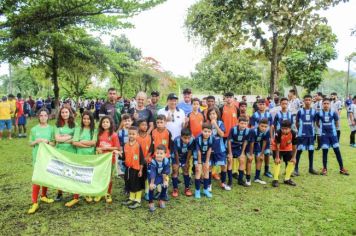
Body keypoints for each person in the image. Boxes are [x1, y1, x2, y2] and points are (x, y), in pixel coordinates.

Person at [67, 111, 98, 207]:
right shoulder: (78, 129)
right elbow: (75, 142)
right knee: (77, 175)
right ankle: (76, 196)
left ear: (91, 120)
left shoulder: (94, 130)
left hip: (90, 156)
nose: (86, 120)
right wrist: (85, 145)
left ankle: (87, 193)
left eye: (88, 119)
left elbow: (93, 142)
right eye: (84, 118)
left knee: (88, 175)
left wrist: (82, 142)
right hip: (79, 155)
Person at [28, 108, 55, 214]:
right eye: (41, 115)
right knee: (36, 179)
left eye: (45, 115)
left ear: (48, 117)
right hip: (37, 157)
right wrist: (36, 141)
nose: (43, 117)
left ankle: (44, 196)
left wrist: (47, 141)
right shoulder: (34, 129)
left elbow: (54, 143)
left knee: (45, 177)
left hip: (48, 157)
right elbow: (30, 143)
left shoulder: (51, 129)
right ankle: (34, 202)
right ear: (38, 117)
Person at [316, 98, 349, 176]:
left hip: (333, 135)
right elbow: (317, 123)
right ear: (322, 104)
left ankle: (341, 168)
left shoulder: (333, 112)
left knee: (337, 151)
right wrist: (322, 129)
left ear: (330, 105)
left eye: (327, 103)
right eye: (324, 103)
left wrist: (334, 129)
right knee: (325, 152)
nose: (326, 105)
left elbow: (337, 122)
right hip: (324, 136)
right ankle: (324, 169)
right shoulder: (319, 113)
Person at [54, 106, 76, 201]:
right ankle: (59, 192)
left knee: (71, 171)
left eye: (66, 112)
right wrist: (69, 136)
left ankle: (73, 191)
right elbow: (57, 139)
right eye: (62, 112)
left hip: (72, 151)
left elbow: (75, 139)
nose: (64, 114)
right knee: (60, 172)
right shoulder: (57, 125)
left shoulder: (75, 124)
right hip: (60, 151)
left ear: (69, 113)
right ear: (60, 114)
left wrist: (64, 137)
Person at [96, 116, 120, 203]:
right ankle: (100, 192)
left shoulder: (114, 134)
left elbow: (117, 147)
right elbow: (97, 146)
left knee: (109, 177)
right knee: (100, 176)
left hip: (110, 159)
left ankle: (108, 193)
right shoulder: (99, 134)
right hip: (100, 160)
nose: (105, 124)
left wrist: (106, 148)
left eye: (107, 122)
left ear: (111, 124)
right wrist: (98, 149)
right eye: (103, 122)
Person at [121, 126, 145, 209]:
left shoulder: (138, 146)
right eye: (130, 134)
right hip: (128, 168)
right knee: (129, 183)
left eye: (133, 134)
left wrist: (141, 170)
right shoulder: (126, 145)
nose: (131, 135)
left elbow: (142, 159)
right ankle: (131, 198)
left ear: (137, 135)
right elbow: (124, 157)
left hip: (136, 169)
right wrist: (119, 154)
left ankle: (138, 200)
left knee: (137, 185)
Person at [206, 107, 230, 190]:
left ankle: (223, 183)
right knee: (209, 166)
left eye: (214, 114)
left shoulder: (220, 123)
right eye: (210, 114)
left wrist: (215, 125)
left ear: (217, 114)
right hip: (209, 149)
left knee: (223, 165)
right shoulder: (206, 124)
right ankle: (209, 184)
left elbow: (222, 134)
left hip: (220, 149)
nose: (212, 115)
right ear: (208, 115)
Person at [294, 95, 319, 175]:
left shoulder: (314, 112)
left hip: (311, 134)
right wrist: (300, 130)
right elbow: (297, 122)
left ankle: (311, 168)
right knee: (299, 151)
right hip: (302, 134)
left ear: (311, 101)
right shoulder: (300, 111)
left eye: (309, 100)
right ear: (303, 101)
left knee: (311, 151)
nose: (307, 101)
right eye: (306, 100)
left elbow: (316, 122)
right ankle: (296, 169)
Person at [250, 98, 273, 178]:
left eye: (263, 104)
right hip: (257, 139)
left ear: (266, 105)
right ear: (257, 105)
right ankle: (258, 170)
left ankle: (266, 170)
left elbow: (270, 127)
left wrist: (271, 137)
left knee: (267, 153)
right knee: (258, 154)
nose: (262, 106)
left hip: (266, 138)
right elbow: (252, 127)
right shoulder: (254, 115)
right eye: (260, 104)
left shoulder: (269, 115)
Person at [271, 120, 297, 187]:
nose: (284, 130)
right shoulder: (278, 133)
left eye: (286, 129)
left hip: (287, 148)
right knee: (277, 162)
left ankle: (287, 179)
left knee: (291, 161)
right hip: (277, 148)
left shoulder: (293, 133)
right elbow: (277, 146)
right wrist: (277, 157)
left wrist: (294, 157)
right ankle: (275, 180)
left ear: (290, 129)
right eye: (283, 129)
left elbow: (294, 146)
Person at [220, 92, 239, 177]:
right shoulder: (221, 108)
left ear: (233, 98)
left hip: (234, 135)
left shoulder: (236, 108)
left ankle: (234, 171)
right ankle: (223, 170)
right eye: (227, 97)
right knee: (224, 153)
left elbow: (238, 120)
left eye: (230, 97)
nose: (228, 98)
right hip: (224, 135)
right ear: (225, 98)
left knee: (234, 153)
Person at [227, 117, 251, 187]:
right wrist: (230, 153)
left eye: (245, 124)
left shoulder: (247, 131)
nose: (243, 125)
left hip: (239, 147)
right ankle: (230, 181)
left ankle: (240, 180)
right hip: (230, 147)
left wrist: (242, 153)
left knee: (242, 159)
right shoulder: (233, 129)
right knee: (230, 160)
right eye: (242, 123)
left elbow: (245, 142)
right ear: (238, 123)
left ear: (247, 124)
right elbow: (228, 141)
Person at [171, 128, 195, 197]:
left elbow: (190, 151)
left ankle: (187, 188)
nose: (187, 140)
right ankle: (175, 189)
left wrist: (187, 162)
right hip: (176, 157)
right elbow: (175, 152)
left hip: (185, 157)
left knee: (186, 170)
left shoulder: (192, 140)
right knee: (175, 170)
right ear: (181, 136)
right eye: (185, 138)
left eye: (188, 138)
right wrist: (178, 163)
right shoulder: (176, 140)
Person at [148, 145, 170, 212]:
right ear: (155, 153)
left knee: (165, 185)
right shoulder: (153, 162)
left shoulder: (166, 161)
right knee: (152, 187)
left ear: (165, 154)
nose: (159, 155)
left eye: (161, 153)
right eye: (157, 153)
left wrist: (164, 181)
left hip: (161, 175)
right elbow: (153, 173)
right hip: (153, 176)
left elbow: (165, 172)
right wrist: (151, 183)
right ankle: (151, 202)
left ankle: (161, 199)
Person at [194, 123, 213, 199]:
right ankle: (197, 191)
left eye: (209, 131)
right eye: (205, 131)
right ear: (202, 131)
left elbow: (209, 150)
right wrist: (199, 163)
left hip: (206, 156)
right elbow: (198, 152)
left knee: (206, 170)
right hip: (198, 156)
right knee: (198, 170)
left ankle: (205, 190)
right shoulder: (198, 138)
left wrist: (207, 162)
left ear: (211, 132)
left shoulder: (212, 138)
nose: (207, 133)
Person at [136, 119, 154, 200]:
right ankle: (137, 191)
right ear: (139, 126)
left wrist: (146, 157)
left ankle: (147, 192)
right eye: (143, 125)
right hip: (137, 161)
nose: (145, 126)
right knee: (138, 176)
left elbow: (151, 148)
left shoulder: (150, 137)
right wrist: (140, 159)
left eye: (146, 125)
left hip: (147, 160)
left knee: (147, 177)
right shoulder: (136, 137)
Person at [249, 119, 270, 185]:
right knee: (249, 160)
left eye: (265, 126)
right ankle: (248, 178)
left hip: (257, 144)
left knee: (260, 159)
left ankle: (257, 178)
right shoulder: (253, 130)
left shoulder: (267, 131)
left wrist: (262, 153)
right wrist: (251, 154)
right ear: (258, 125)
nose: (264, 128)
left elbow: (264, 142)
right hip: (249, 144)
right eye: (262, 126)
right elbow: (251, 143)